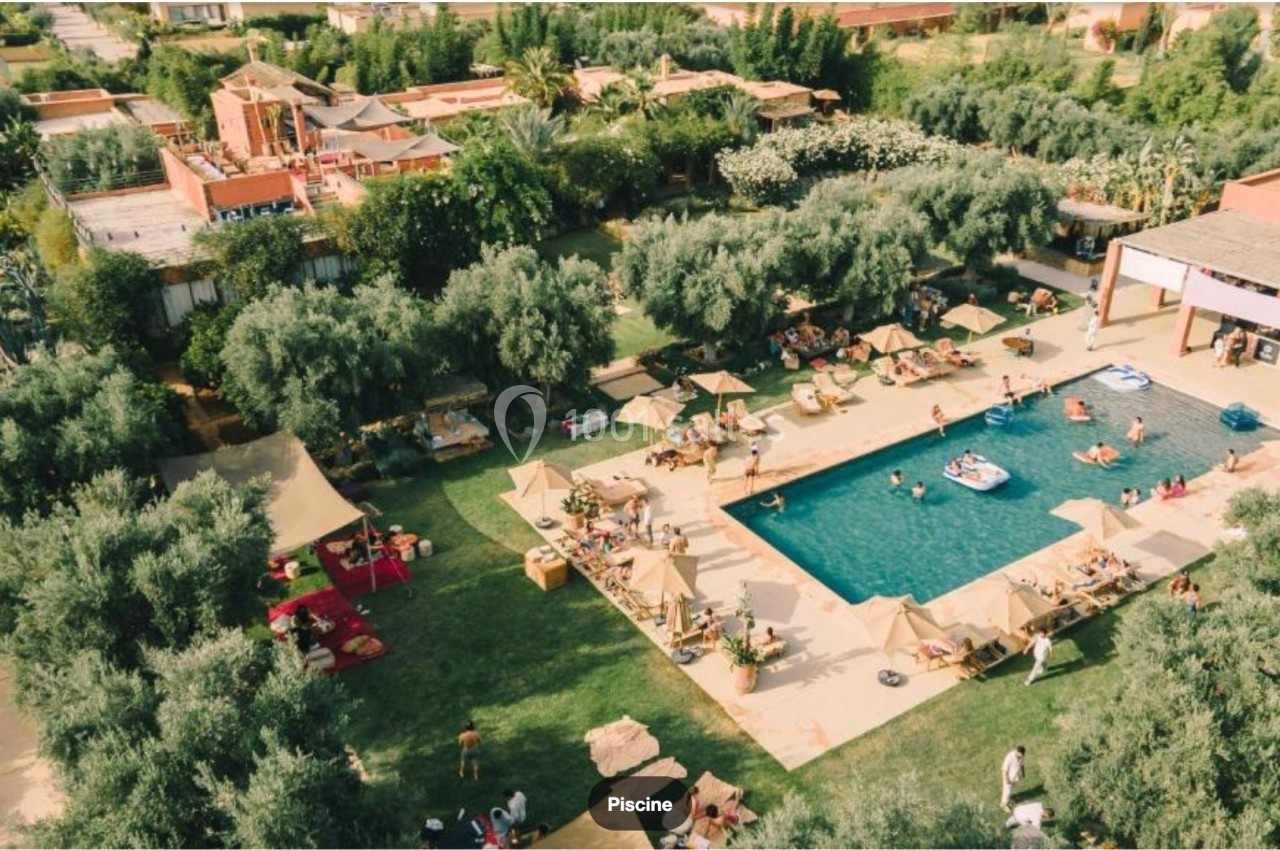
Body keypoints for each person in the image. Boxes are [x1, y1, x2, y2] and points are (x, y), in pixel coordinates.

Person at [1001, 746, 1026, 811]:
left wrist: (1023, 772)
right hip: (1008, 778)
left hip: (1015, 777)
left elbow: (1022, 764)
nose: (1021, 757)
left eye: (1022, 755)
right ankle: (1004, 804)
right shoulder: (1009, 757)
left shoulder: (1020, 756)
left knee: (1011, 790)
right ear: (1017, 751)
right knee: (1007, 791)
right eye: (1020, 755)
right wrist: (1006, 779)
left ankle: (1009, 799)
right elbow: (1004, 769)